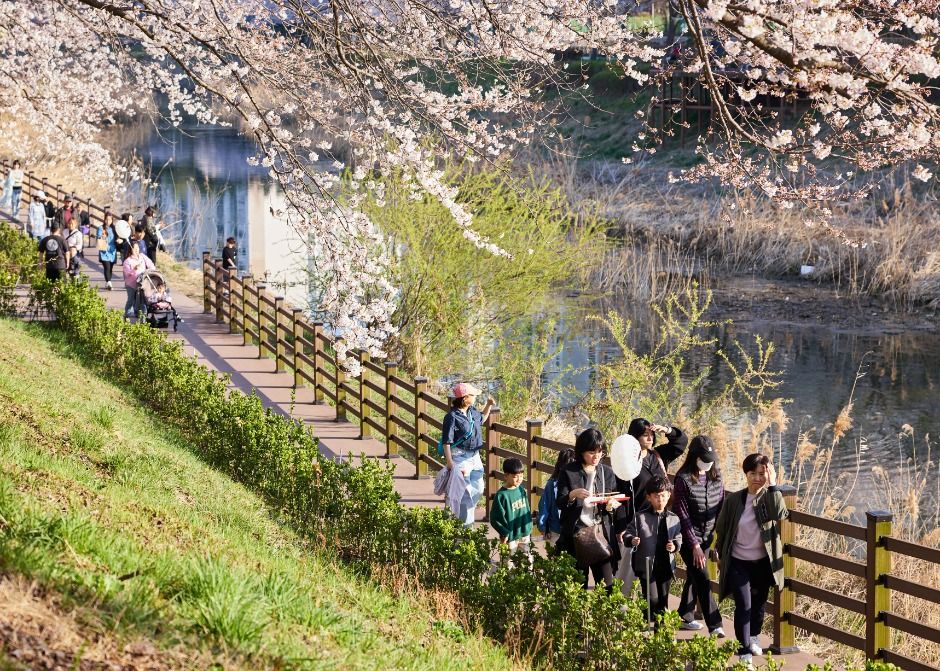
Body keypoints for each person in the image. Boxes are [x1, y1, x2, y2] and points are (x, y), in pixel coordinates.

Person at [715, 454, 788, 670]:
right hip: (738, 561)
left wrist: (773, 484)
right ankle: (744, 649)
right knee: (744, 605)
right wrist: (719, 554)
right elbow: (721, 528)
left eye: (762, 473)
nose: (757, 478)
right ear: (745, 474)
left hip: (763, 563)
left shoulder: (769, 497)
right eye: (753, 473)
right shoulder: (734, 500)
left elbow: (780, 514)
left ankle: (754, 636)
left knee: (758, 606)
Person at [556, 428, 625, 593]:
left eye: (600, 452)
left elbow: (613, 498)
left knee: (608, 586)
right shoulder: (569, 471)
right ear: (581, 451)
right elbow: (560, 502)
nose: (596, 456)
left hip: (600, 532)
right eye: (591, 452)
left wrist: (612, 504)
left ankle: (604, 618)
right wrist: (572, 495)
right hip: (576, 533)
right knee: (577, 587)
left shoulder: (606, 472)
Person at [671, 435, 726, 635]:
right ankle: (715, 624)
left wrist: (719, 538)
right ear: (694, 456)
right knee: (702, 577)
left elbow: (721, 507)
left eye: (710, 458)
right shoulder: (683, 479)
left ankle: (684, 615)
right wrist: (693, 544)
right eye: (703, 458)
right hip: (687, 537)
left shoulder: (716, 476)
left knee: (695, 574)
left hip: (708, 536)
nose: (708, 463)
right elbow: (682, 514)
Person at [624, 475, 682, 625]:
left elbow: (678, 537)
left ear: (669, 495)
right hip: (647, 566)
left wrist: (674, 545)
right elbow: (628, 533)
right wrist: (632, 540)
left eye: (663, 496)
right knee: (652, 598)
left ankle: (660, 633)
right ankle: (646, 617)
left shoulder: (673, 518)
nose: (660, 500)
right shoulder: (640, 517)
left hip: (665, 566)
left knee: (663, 600)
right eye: (656, 496)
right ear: (649, 497)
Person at [441, 382, 494, 526]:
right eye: (473, 395)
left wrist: (489, 404)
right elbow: (446, 442)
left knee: (478, 489)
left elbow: (482, 418)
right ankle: (466, 528)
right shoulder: (451, 417)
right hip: (460, 456)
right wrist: (450, 462)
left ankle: (457, 517)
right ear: (464, 398)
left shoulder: (472, 411)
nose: (475, 397)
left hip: (475, 456)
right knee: (465, 494)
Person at [621, 418, 688, 509]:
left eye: (652, 434)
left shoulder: (659, 455)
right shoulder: (627, 463)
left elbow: (681, 442)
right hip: (638, 518)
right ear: (635, 437)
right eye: (645, 435)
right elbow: (623, 497)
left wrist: (667, 430)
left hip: (660, 516)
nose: (650, 438)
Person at [490, 457, 532, 555]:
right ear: (506, 476)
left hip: (524, 533)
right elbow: (495, 518)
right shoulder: (501, 495)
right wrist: (504, 533)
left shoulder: (521, 490)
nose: (519, 479)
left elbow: (526, 510)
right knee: (508, 563)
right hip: (510, 537)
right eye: (515, 476)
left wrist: (529, 526)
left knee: (527, 562)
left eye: (521, 475)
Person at [537, 447, 576, 546]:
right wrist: (543, 527)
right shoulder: (552, 484)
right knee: (555, 557)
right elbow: (544, 505)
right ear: (560, 466)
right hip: (555, 529)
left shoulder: (578, 484)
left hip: (573, 529)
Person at [122, 240, 155, 319]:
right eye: (134, 248)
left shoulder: (142, 256)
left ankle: (142, 316)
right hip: (131, 284)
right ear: (130, 249)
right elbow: (127, 273)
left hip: (142, 283)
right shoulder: (127, 261)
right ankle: (127, 314)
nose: (136, 250)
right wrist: (134, 269)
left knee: (142, 300)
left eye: (137, 248)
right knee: (131, 300)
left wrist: (151, 271)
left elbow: (151, 264)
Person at [97, 211, 117, 290]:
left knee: (111, 268)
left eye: (110, 220)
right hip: (104, 251)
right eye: (107, 219)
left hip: (112, 251)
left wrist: (119, 240)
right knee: (107, 267)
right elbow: (98, 238)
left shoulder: (114, 229)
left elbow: (118, 237)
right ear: (104, 219)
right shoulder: (100, 228)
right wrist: (102, 236)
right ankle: (109, 282)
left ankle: (107, 282)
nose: (108, 221)